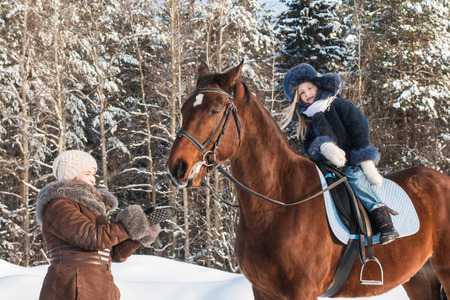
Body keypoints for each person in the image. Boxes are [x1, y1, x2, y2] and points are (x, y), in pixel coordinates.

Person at [281, 63, 399, 245]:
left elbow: (359, 126)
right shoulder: (307, 120)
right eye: (302, 93)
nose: (307, 94)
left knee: (355, 180)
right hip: (328, 167)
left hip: (352, 160)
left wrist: (363, 157)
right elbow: (308, 147)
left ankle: (384, 221)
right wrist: (323, 148)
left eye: (309, 88)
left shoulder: (338, 104)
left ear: (317, 85)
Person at [36, 150, 164, 300]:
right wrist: (126, 226)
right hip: (71, 289)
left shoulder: (93, 209)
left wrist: (137, 234)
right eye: (87, 173)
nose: (93, 179)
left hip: (100, 288)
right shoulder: (58, 205)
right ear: (71, 174)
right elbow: (91, 238)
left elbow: (115, 254)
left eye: (94, 174)